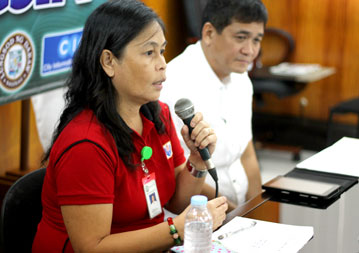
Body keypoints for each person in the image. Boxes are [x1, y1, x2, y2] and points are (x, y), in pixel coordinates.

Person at [32, 1, 228, 252]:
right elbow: (92, 248)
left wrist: (197, 162)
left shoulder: (160, 115)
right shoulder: (86, 143)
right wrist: (178, 229)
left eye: (162, 51)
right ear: (109, 62)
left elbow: (178, 201)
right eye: (149, 53)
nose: (162, 64)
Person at [160, 0, 268, 210]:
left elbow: (247, 152)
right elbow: (178, 172)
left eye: (256, 40)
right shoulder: (174, 85)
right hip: (195, 215)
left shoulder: (241, 77)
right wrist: (233, 212)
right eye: (241, 38)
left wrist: (256, 211)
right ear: (209, 33)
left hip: (237, 210)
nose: (250, 50)